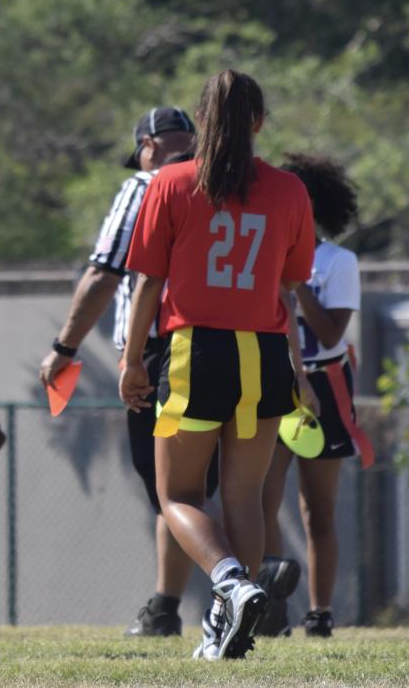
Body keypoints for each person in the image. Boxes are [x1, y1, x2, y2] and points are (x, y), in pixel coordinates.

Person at [120, 70, 316, 661]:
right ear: (258, 122)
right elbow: (289, 280)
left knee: (177, 496)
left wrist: (132, 360)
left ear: (201, 121)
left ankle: (229, 585)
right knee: (246, 499)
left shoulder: (172, 183)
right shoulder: (290, 191)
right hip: (262, 352)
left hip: (193, 351)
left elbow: (148, 284)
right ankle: (224, 627)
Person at [38, 105, 209, 637]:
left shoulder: (145, 186)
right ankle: (191, 596)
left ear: (147, 146)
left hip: (164, 352)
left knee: (171, 490)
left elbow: (103, 273)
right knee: (226, 485)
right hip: (240, 345)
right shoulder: (224, 184)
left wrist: (64, 346)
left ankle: (216, 589)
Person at [259, 154, 365, 638]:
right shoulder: (261, 250)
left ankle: (320, 612)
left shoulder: (339, 262)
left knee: (316, 509)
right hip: (272, 379)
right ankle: (269, 608)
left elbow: (329, 335)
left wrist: (297, 286)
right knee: (262, 498)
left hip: (323, 384)